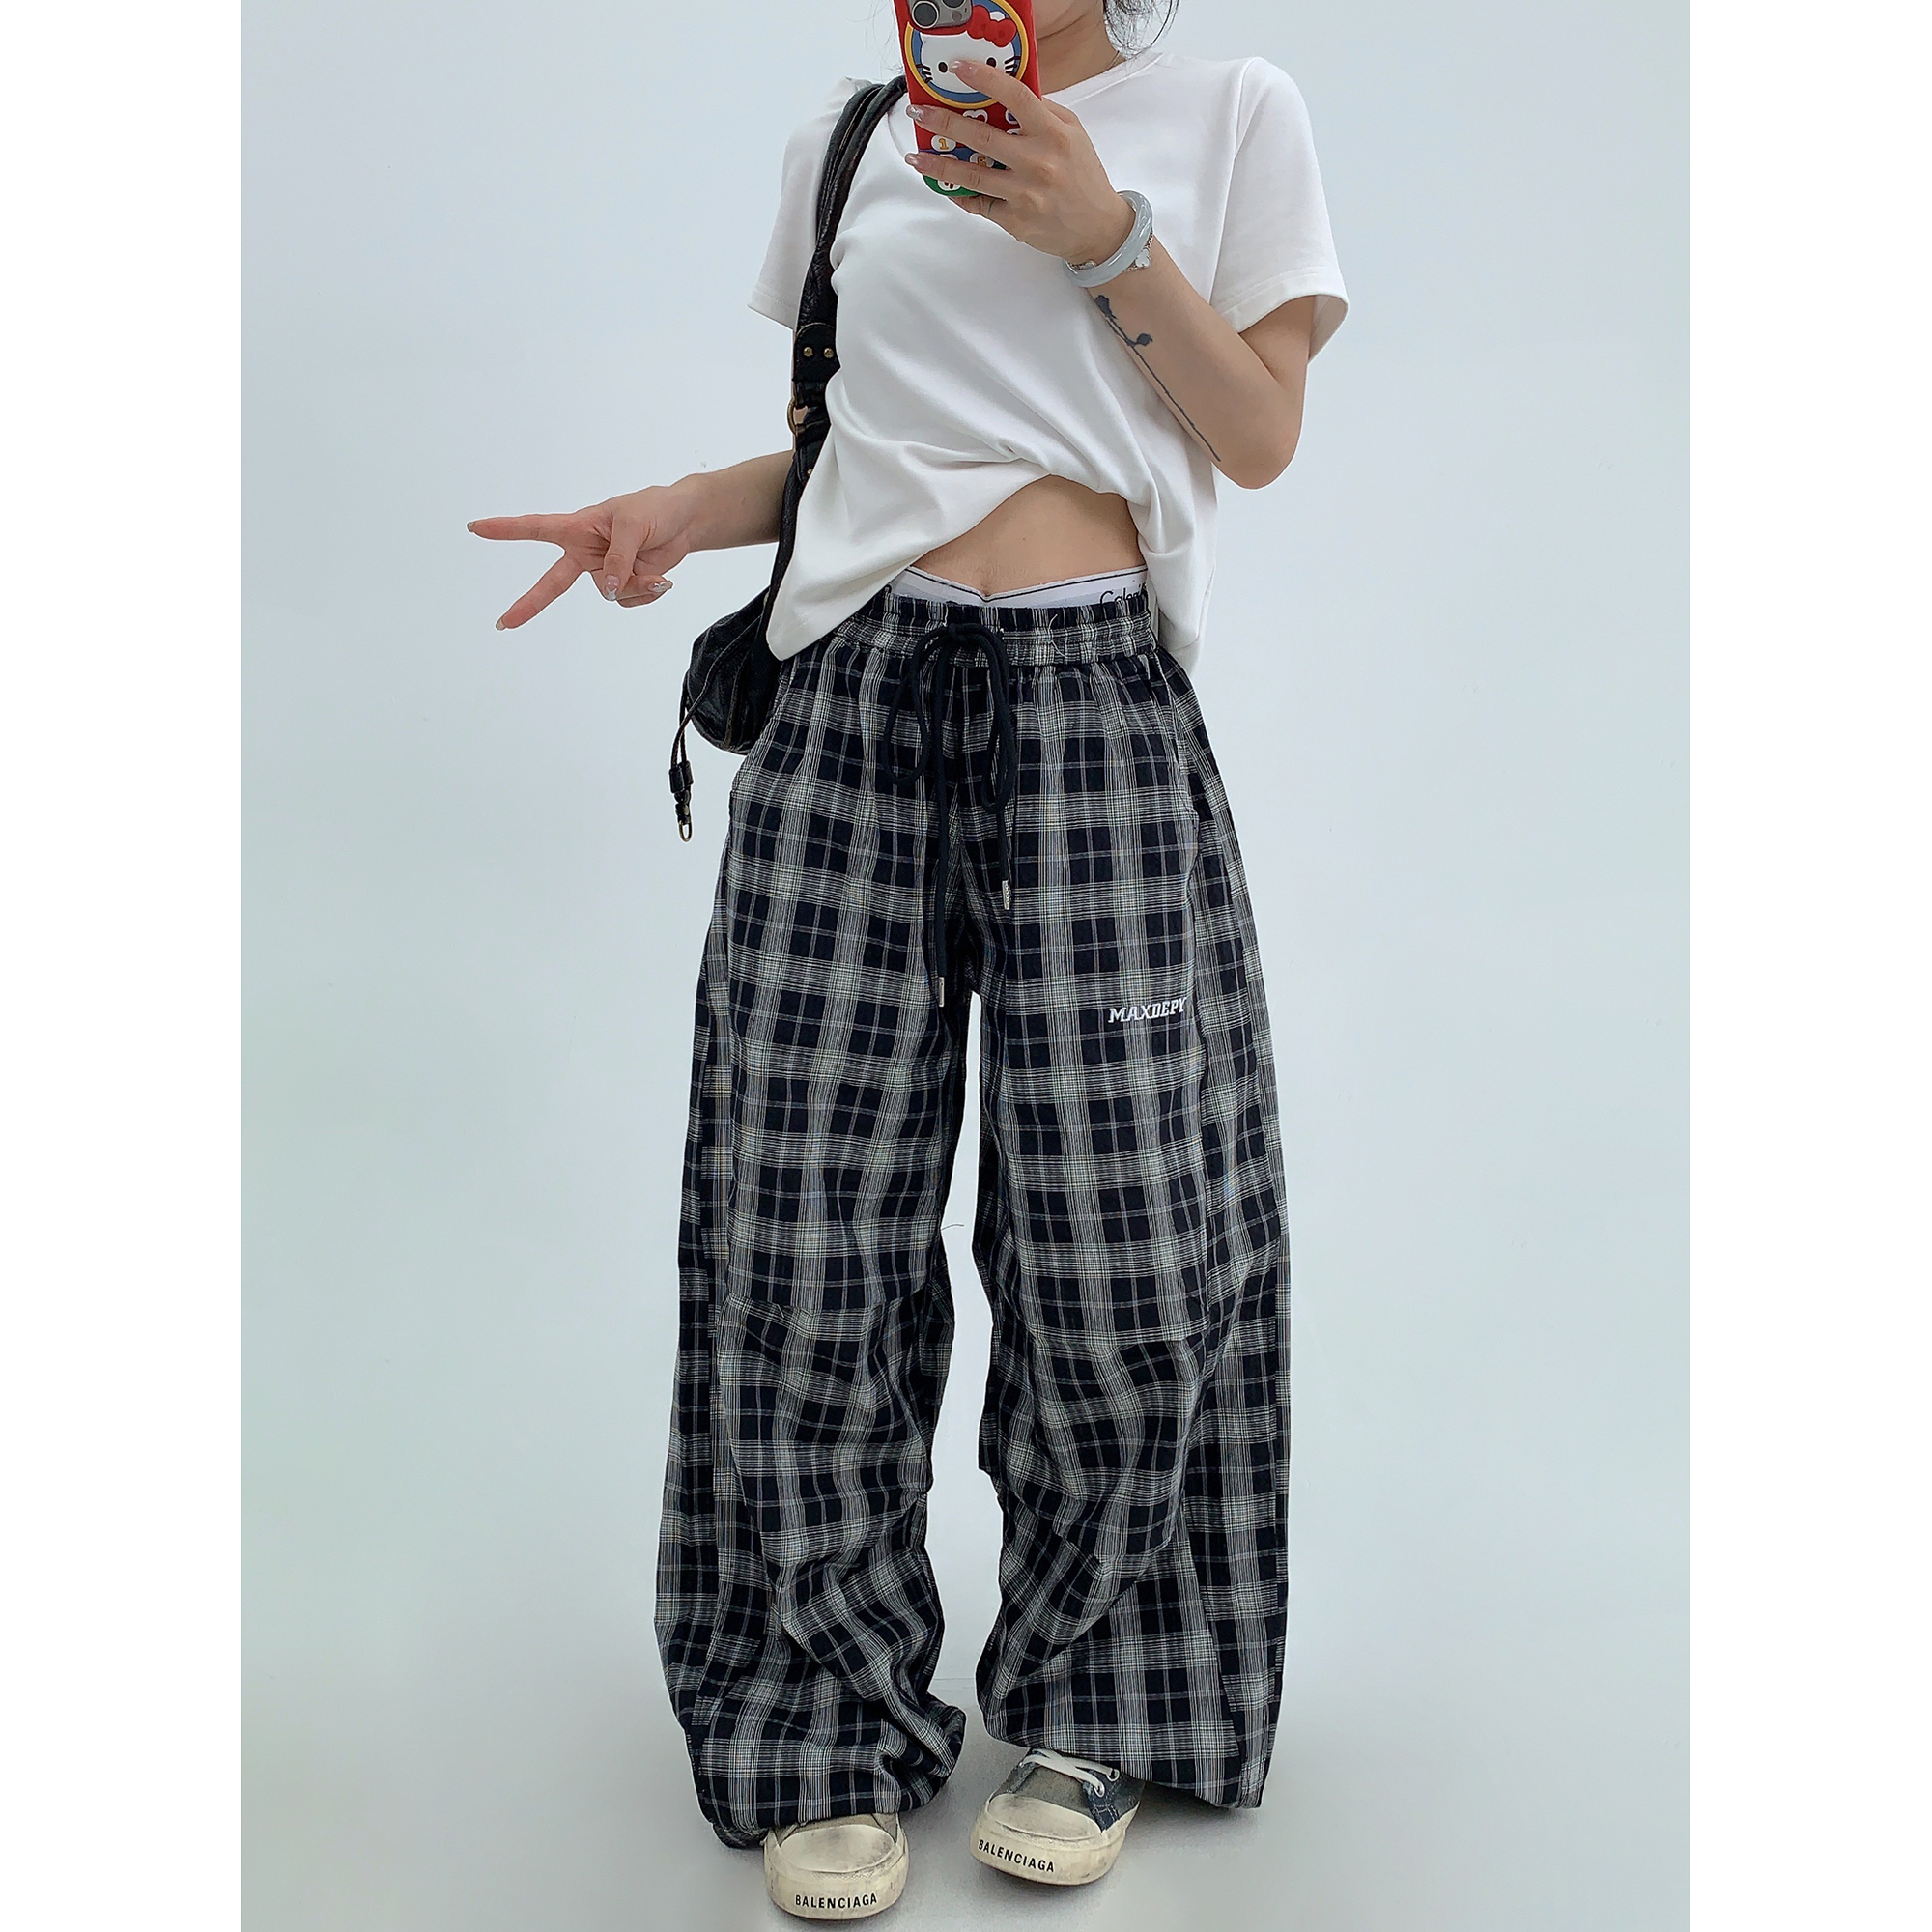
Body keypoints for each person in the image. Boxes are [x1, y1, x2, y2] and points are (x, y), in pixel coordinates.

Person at [469, 1, 1346, 1917]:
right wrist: (675, 513)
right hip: (853, 697)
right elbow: (851, 455)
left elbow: (1260, 432)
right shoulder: (856, 136)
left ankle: (1104, 1700)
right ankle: (818, 1722)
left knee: (1130, 1232)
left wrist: (1105, 233)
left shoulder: (1230, 114)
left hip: (1096, 701)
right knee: (803, 1231)